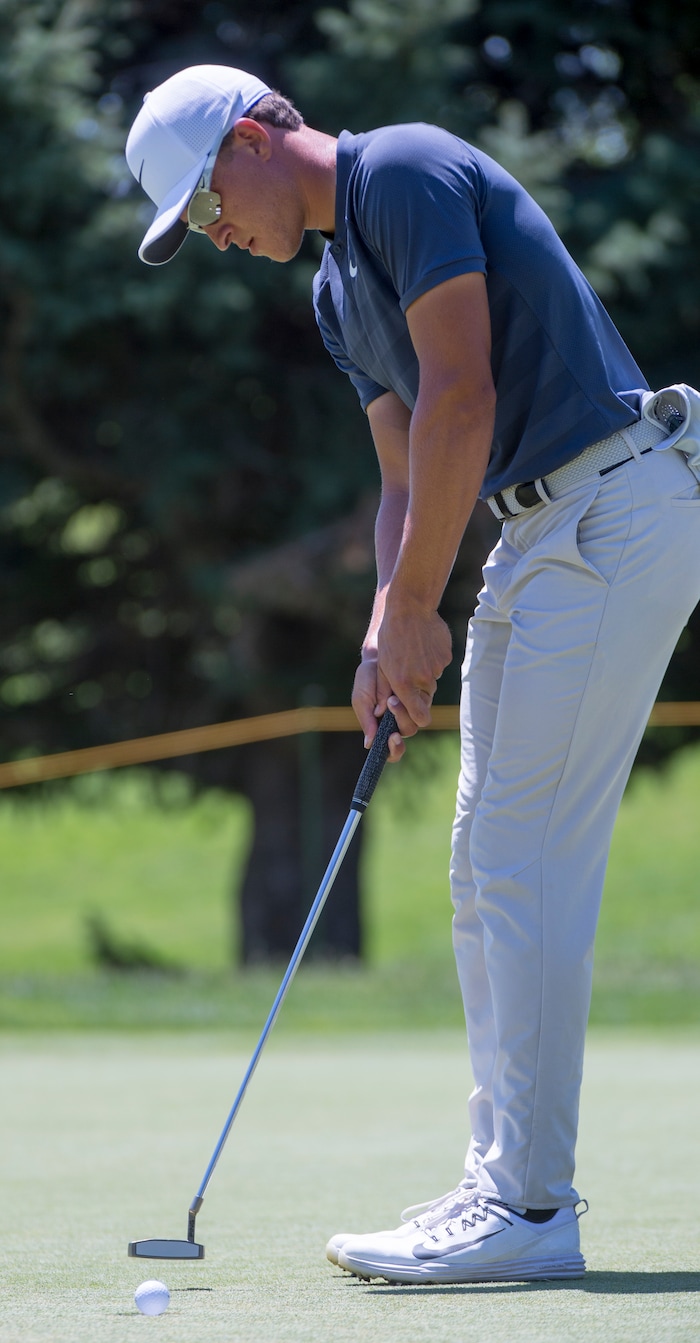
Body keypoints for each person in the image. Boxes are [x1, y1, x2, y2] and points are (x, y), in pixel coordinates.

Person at [126, 65, 700, 1284]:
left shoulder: (402, 168)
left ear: (250, 137)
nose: (218, 235)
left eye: (208, 203)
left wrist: (427, 601)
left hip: (607, 508)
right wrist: (388, 627)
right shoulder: (338, 290)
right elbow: (401, 477)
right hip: (546, 530)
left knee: (521, 857)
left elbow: (462, 397)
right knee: (485, 859)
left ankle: (529, 1210)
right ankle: (504, 1185)